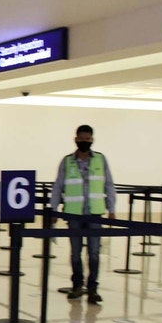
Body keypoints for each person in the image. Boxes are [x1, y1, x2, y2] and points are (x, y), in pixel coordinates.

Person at [50, 124, 117, 304]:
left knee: (94, 253)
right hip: (74, 215)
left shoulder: (100, 160)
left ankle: (93, 287)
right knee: (75, 253)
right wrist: (54, 209)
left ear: (92, 140)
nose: (84, 142)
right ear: (75, 139)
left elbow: (109, 185)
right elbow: (58, 186)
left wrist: (112, 209)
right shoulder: (67, 161)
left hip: (94, 213)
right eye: (81, 139)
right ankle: (77, 285)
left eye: (87, 139)